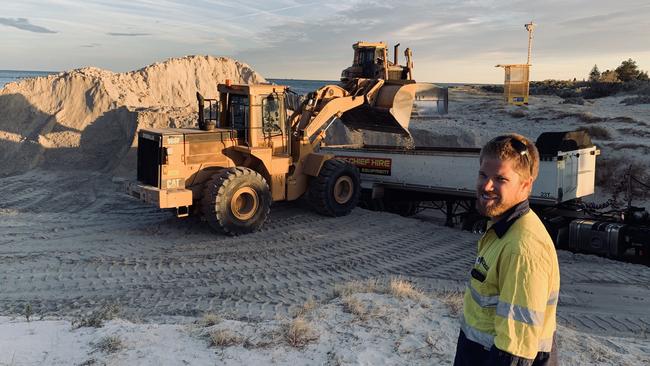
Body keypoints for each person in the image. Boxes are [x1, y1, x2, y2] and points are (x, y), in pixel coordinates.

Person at [453, 133, 560, 366]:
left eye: (500, 179)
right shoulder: (501, 229)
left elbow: (515, 353)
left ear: (526, 184)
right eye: (483, 175)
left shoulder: (522, 249)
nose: (487, 185)